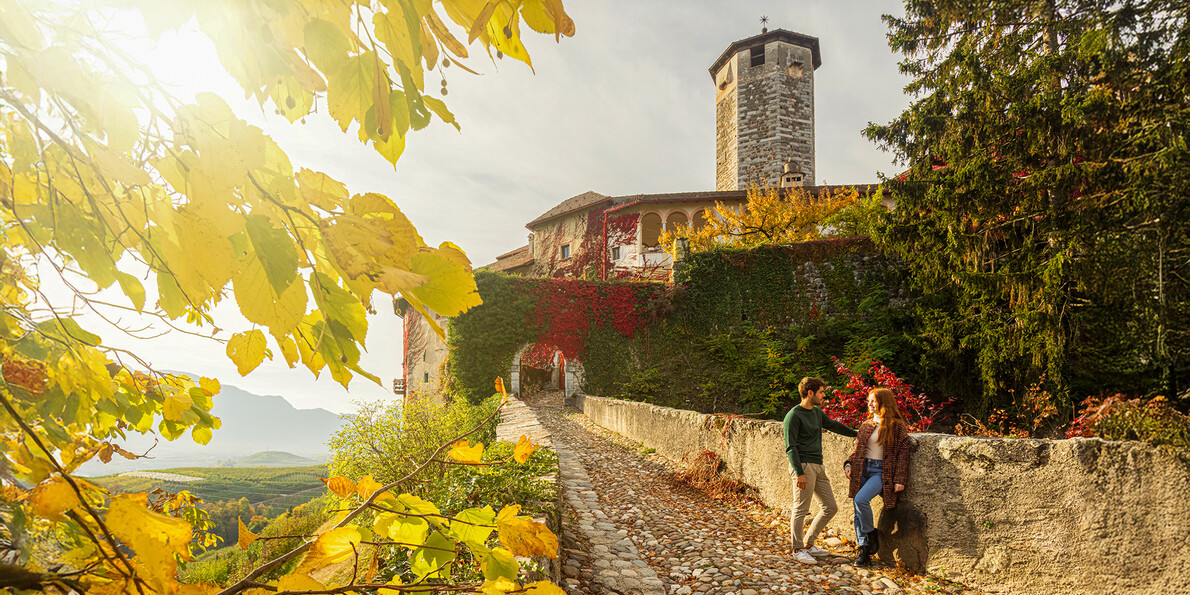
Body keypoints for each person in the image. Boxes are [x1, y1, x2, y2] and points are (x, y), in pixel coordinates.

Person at [783, 376, 858, 565]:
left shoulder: (816, 412)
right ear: (810, 393)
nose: (824, 395)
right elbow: (791, 447)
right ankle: (797, 549)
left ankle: (808, 543)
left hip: (818, 465)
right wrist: (799, 473)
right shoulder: (793, 415)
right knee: (801, 508)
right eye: (821, 392)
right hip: (803, 466)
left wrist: (857, 434)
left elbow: (833, 425)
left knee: (830, 507)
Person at [843, 387, 912, 566]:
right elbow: (858, 448)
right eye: (869, 401)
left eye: (874, 401)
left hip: (881, 471)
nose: (870, 404)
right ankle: (864, 549)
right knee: (857, 510)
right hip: (862, 468)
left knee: (860, 500)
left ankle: (870, 533)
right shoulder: (866, 425)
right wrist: (849, 463)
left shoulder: (897, 426)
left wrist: (900, 479)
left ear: (884, 402)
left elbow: (903, 455)